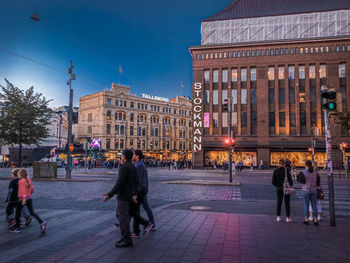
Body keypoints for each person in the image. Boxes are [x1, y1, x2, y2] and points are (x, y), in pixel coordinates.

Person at [104, 149, 138, 248]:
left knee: (123, 218)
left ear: (124, 156)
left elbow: (119, 183)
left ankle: (127, 240)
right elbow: (136, 182)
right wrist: (134, 194)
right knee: (121, 215)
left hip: (123, 196)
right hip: (130, 195)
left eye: (122, 155)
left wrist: (109, 195)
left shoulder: (124, 167)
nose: (121, 156)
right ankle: (125, 237)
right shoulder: (133, 167)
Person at [12, 168, 46, 233]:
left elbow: (22, 191)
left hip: (23, 199)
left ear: (20, 174)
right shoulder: (29, 180)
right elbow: (32, 190)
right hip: (29, 198)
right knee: (32, 212)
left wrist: (23, 199)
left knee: (17, 213)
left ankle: (17, 227)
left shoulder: (21, 181)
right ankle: (41, 222)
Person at [131, 150, 154, 237]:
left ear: (137, 156)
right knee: (141, 208)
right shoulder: (140, 164)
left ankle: (146, 224)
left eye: (134, 154)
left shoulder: (138, 165)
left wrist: (135, 193)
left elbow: (138, 180)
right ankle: (148, 224)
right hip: (142, 190)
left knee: (134, 211)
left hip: (140, 190)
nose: (133, 156)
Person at [297, 160, 321, 226]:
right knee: (314, 205)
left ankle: (306, 219)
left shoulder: (303, 172)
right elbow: (318, 182)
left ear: (305, 165)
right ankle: (316, 220)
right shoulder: (315, 172)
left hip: (305, 189)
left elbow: (298, 179)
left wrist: (304, 182)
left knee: (306, 205)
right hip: (314, 190)